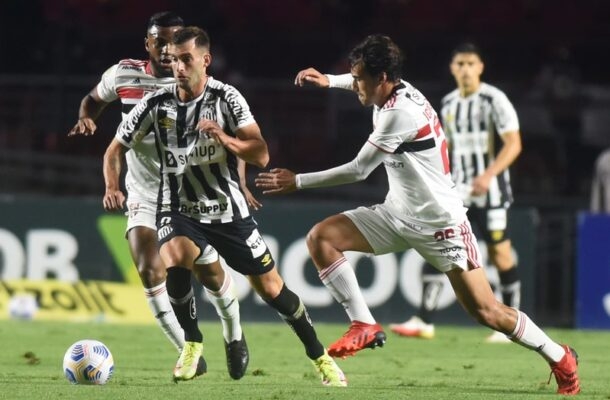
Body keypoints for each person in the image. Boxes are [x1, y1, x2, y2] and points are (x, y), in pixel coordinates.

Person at [255, 34, 580, 395]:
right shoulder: (391, 88)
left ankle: (560, 356)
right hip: (396, 214)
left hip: (441, 225)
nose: (355, 83)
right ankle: (364, 323)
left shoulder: (401, 113)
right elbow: (360, 85)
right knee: (322, 238)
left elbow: (360, 169)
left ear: (381, 79)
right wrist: (330, 81)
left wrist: (297, 182)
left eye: (359, 77)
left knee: (487, 312)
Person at [103, 26, 347, 386]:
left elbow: (261, 152)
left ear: (205, 60)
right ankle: (192, 342)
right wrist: (112, 184)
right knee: (173, 254)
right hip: (179, 207)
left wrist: (223, 137)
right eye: (174, 60)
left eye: (186, 59)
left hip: (227, 210)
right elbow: (115, 148)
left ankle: (320, 356)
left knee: (272, 289)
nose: (179, 67)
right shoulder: (156, 103)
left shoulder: (227, 98)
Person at [69, 12, 249, 380]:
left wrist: (241, 183)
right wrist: (88, 118)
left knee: (211, 275)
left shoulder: (201, 84)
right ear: (147, 43)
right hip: (145, 191)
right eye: (161, 41)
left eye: (175, 42)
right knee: (150, 271)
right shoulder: (123, 74)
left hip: (193, 193)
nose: (169, 50)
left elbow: (231, 140)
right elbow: (92, 100)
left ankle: (234, 335)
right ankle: (188, 353)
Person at [390, 42, 523, 343]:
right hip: (456, 192)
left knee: (499, 253)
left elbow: (514, 143)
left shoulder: (494, 99)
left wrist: (489, 175)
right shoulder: (448, 103)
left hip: (492, 193)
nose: (464, 69)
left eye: (470, 63)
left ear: (480, 67)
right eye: (459, 63)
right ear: (452, 68)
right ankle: (424, 320)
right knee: (439, 245)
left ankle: (512, 321)